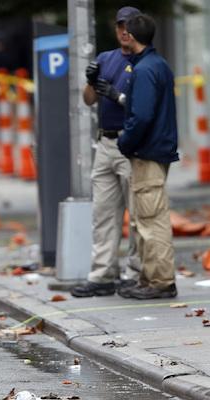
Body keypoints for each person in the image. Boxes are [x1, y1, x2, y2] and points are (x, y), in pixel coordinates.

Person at [71, 6, 142, 298]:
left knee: (137, 214)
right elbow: (88, 100)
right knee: (103, 213)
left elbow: (144, 107)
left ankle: (136, 272)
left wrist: (117, 95)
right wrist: (91, 82)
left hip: (131, 143)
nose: (124, 31)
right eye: (120, 26)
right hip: (105, 143)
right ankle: (103, 274)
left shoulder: (145, 62)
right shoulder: (106, 58)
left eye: (129, 26)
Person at [113, 14, 178, 299]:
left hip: (147, 152)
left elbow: (141, 116)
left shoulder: (144, 70)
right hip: (155, 150)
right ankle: (149, 277)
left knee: (151, 221)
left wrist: (125, 142)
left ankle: (161, 281)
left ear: (131, 34)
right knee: (143, 219)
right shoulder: (157, 64)